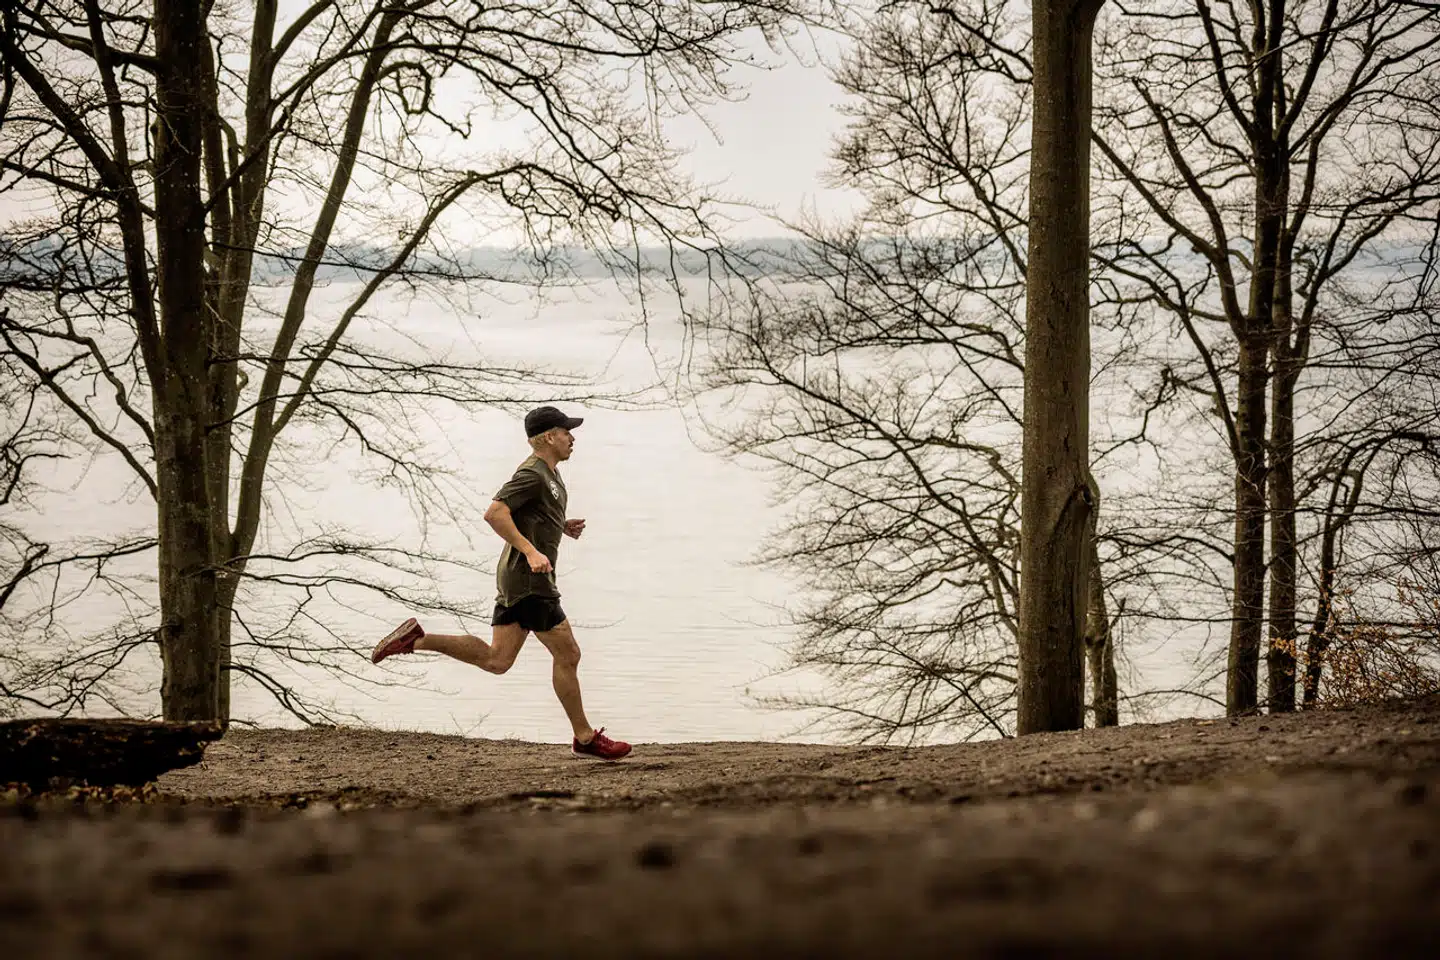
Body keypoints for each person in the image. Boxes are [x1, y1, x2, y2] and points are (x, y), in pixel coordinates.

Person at [371, 405, 632, 761]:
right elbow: (495, 512)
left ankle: (417, 639)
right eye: (566, 431)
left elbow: (530, 515)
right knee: (568, 653)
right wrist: (530, 551)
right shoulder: (533, 473)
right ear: (547, 437)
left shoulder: (550, 476)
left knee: (497, 660)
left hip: (519, 580)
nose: (572, 437)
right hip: (530, 581)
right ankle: (584, 738)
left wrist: (559, 526)